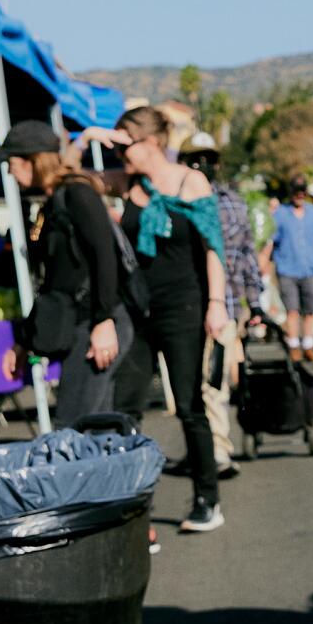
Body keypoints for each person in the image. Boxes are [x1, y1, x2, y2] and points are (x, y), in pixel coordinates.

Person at [110, 103, 228, 534]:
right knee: (126, 406)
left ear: (153, 140)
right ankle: (129, 506)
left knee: (188, 404)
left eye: (128, 140)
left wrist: (216, 304)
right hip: (138, 310)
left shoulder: (189, 181)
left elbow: (213, 246)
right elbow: (66, 176)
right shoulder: (126, 184)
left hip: (184, 305)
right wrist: (88, 139)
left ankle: (207, 498)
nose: (121, 149)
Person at [0, 119, 128, 426]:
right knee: (88, 427)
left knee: (78, 426)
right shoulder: (54, 203)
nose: (10, 172)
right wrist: (24, 340)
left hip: (96, 324)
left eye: (13, 163)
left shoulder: (77, 194)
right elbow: (55, 284)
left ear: (34, 162)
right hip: (81, 325)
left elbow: (105, 256)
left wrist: (104, 320)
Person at [180, 130, 266, 479]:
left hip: (224, 308)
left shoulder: (233, 202)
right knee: (188, 389)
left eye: (208, 159)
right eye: (195, 159)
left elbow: (247, 256)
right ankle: (201, 449)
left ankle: (218, 452)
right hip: (183, 307)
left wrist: (257, 304)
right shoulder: (172, 202)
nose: (203, 165)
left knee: (212, 383)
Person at [265, 180, 313, 356]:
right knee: (292, 310)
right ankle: (293, 345)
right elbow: (270, 241)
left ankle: (308, 344)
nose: (299, 196)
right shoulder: (280, 214)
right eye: (296, 192)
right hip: (287, 268)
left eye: (302, 192)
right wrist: (263, 262)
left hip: (308, 268)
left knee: (310, 309)